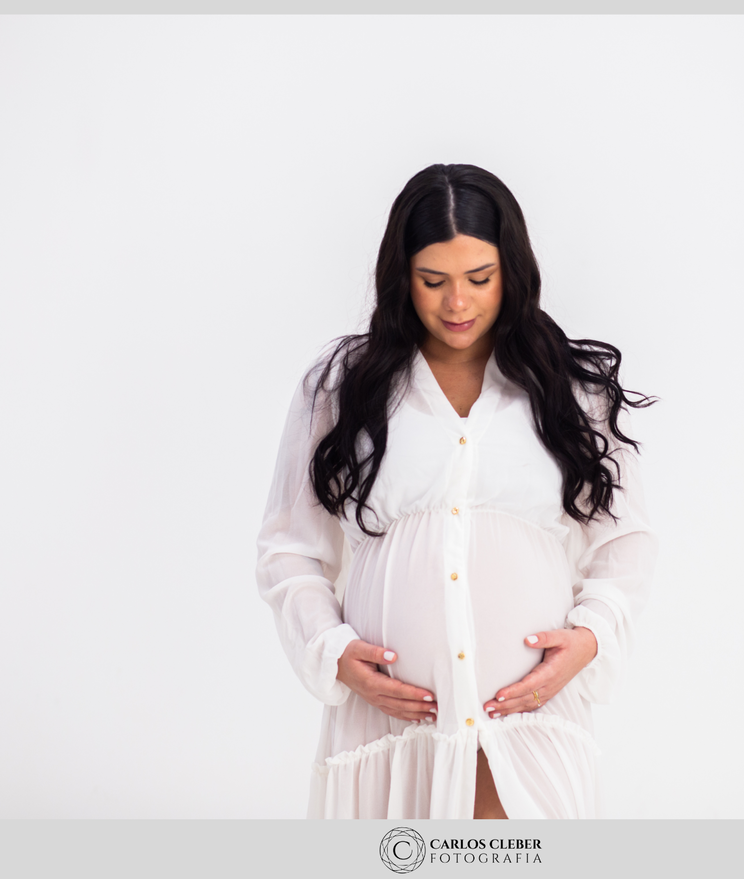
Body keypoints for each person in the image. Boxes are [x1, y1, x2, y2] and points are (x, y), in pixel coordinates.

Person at [255, 163, 658, 819]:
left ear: (512, 271)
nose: (458, 304)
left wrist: (589, 639)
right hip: (389, 732)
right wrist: (333, 652)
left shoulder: (570, 387)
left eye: (479, 278)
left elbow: (626, 544)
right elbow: (288, 550)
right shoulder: (341, 386)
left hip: (531, 720)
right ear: (401, 277)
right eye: (433, 281)